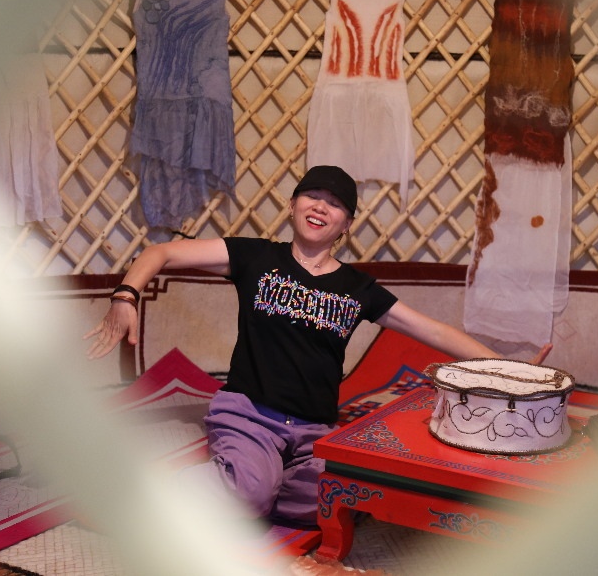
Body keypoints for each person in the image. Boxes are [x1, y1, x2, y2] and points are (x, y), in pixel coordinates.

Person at [84, 165, 550, 528]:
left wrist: (507, 369)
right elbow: (161, 252)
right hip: (250, 412)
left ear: (346, 223)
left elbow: (434, 331)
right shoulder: (256, 257)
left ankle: (246, 490)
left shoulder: (357, 287)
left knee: (350, 498)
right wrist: (125, 296)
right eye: (313, 196)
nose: (321, 207)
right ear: (292, 205)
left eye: (335, 204)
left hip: (314, 431)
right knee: (254, 492)